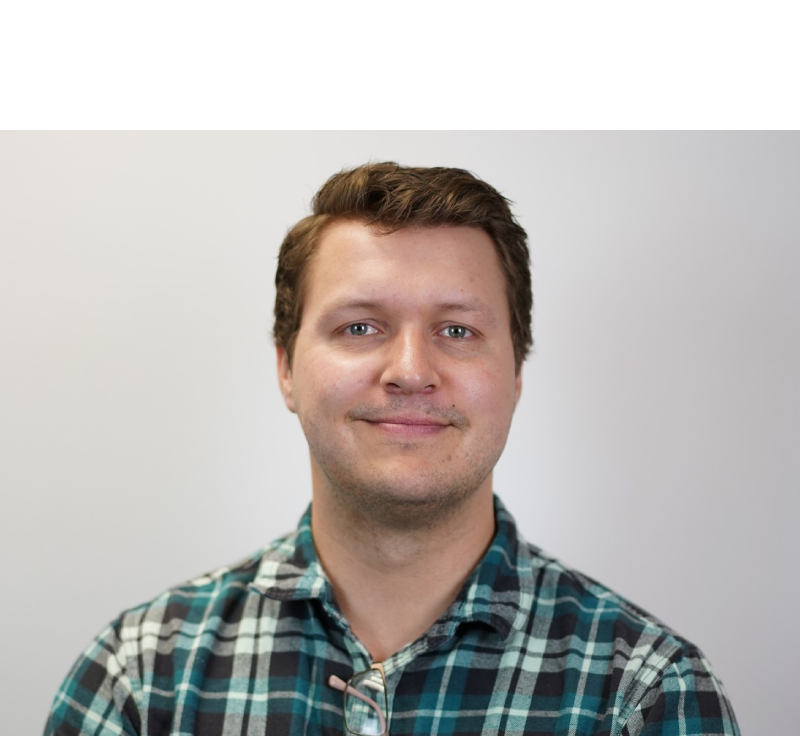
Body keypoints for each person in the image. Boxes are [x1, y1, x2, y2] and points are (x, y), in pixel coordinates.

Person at [46, 162, 740, 735]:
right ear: (286, 367)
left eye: (458, 331)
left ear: (517, 374)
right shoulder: (139, 679)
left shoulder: (645, 695)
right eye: (359, 327)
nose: (411, 369)